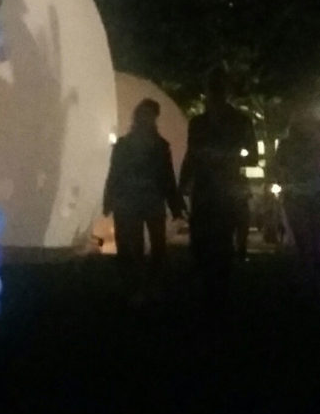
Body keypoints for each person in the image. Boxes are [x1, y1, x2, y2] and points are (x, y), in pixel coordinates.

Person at [179, 67, 257, 305]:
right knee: (204, 238)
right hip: (209, 186)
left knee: (221, 238)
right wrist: (183, 184)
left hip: (223, 186)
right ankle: (210, 285)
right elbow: (192, 155)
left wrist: (227, 157)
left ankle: (217, 288)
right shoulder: (201, 123)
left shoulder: (238, 122)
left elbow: (251, 156)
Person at [103, 98, 185, 305]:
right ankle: (138, 287)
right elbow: (115, 174)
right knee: (134, 245)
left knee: (156, 245)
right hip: (133, 201)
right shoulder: (128, 145)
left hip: (149, 200)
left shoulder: (157, 146)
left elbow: (167, 177)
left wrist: (175, 205)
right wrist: (110, 198)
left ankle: (148, 285)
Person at [273, 113, 320, 290]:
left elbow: (279, 169)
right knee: (310, 235)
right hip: (304, 194)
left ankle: (308, 272)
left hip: (300, 195)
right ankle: (310, 272)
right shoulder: (290, 146)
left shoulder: (286, 145)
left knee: (306, 236)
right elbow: (279, 169)